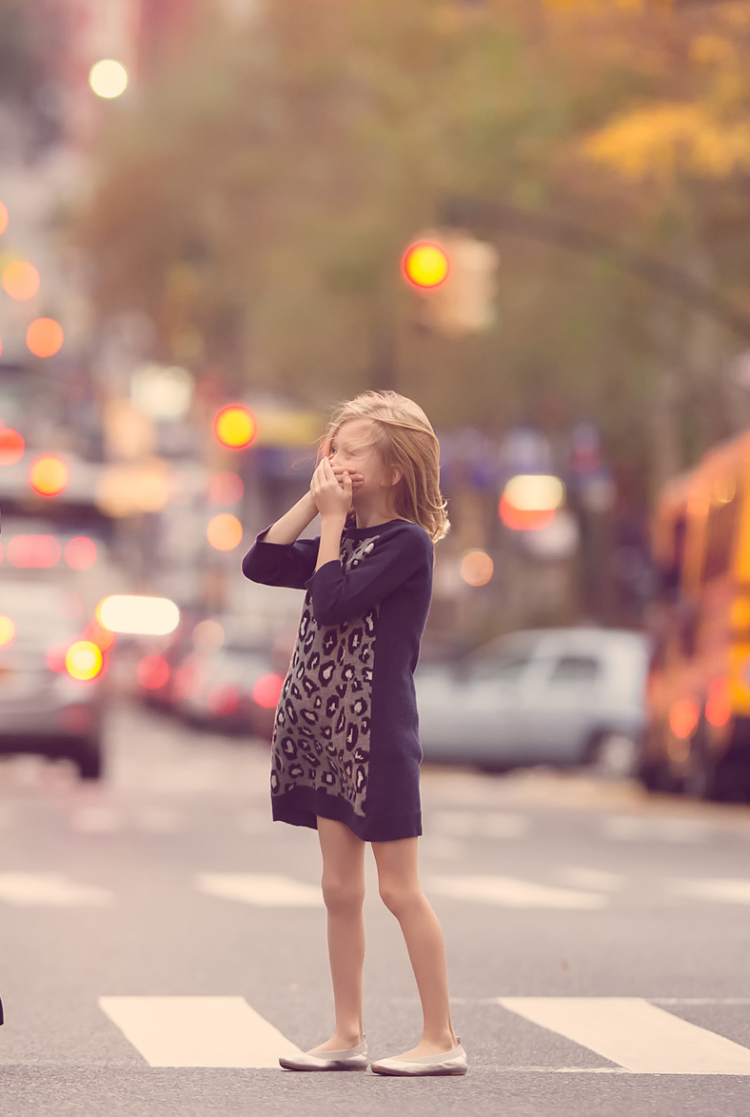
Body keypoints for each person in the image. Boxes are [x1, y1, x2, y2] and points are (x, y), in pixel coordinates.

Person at [242, 390, 467, 1078]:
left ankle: (442, 1037)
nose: (334, 461)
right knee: (339, 889)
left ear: (395, 468)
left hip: (375, 737)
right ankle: (346, 1033)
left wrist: (334, 524)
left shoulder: (405, 544)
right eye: (329, 450)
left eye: (350, 451)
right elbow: (261, 562)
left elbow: (334, 599)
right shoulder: (341, 537)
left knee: (398, 890)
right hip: (321, 736)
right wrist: (316, 505)